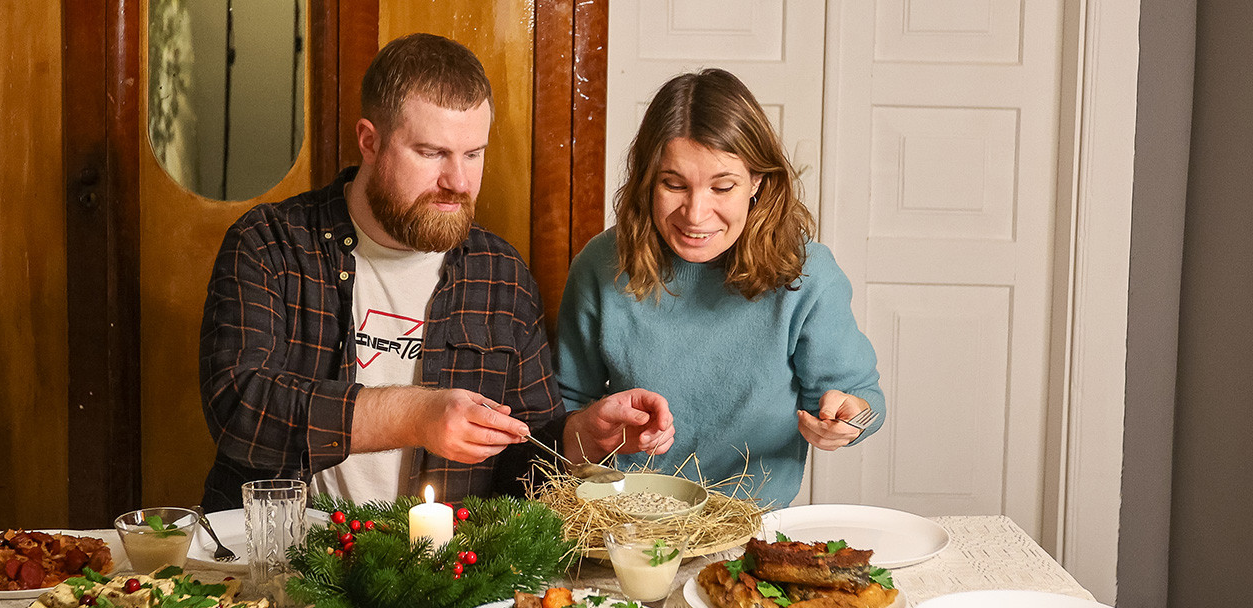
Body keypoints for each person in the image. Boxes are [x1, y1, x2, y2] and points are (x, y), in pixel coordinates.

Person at [199, 34, 673, 511]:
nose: (460, 182)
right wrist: (418, 413)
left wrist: (579, 438)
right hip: (283, 557)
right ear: (369, 141)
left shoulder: (501, 275)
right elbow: (241, 407)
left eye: (473, 154)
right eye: (431, 153)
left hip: (445, 572)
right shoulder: (270, 244)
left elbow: (521, 465)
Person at [556, 68, 883, 507]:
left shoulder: (808, 274)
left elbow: (864, 400)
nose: (695, 214)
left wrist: (848, 420)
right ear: (647, 182)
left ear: (757, 182)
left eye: (722, 186)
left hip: (754, 526)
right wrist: (591, 427)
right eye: (673, 185)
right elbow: (564, 410)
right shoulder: (601, 265)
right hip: (629, 521)